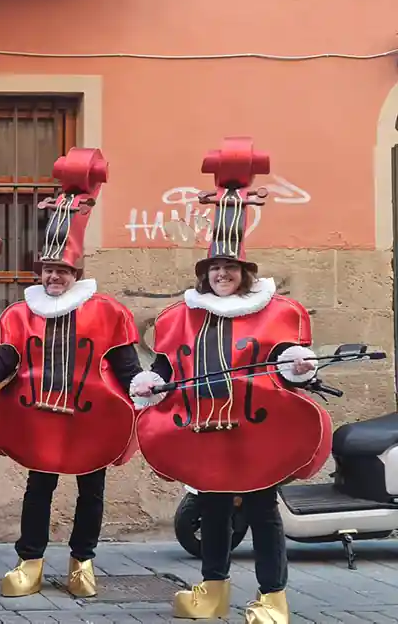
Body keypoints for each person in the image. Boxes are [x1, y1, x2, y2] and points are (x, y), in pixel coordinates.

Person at [130, 137, 328, 623]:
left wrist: (299, 364)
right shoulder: (182, 316)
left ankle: (274, 598)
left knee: (262, 513)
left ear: (244, 271)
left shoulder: (273, 312)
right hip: (200, 426)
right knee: (213, 512)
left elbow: (284, 355)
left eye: (230, 268)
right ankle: (212, 590)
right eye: (215, 267)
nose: (223, 275)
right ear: (206, 273)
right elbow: (167, 365)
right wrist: (150, 381)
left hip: (254, 429)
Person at [0, 148, 142, 599]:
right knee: (38, 487)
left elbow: (126, 364)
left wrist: (145, 388)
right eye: (47, 270)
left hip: (92, 414)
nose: (53, 277)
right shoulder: (22, 312)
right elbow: (5, 358)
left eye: (61, 270)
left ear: (76, 271)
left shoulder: (108, 310)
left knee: (91, 491)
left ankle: (83, 562)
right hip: (39, 411)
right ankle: (30, 561)